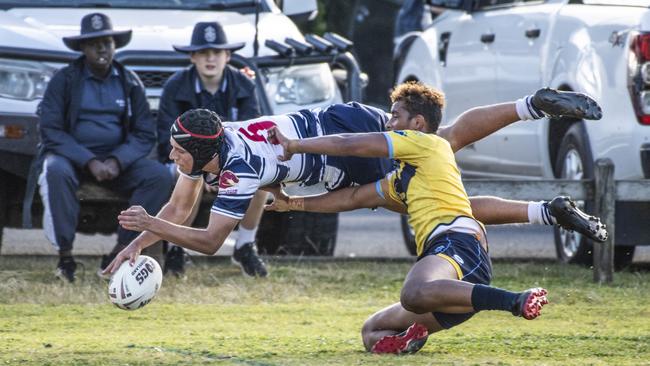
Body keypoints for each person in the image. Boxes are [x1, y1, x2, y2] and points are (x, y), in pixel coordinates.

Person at [102, 83, 605, 282]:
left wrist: (149, 227)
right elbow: (177, 210)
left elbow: (209, 241)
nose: (171, 156)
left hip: (337, 136)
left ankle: (531, 106)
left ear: (205, 152)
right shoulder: (213, 144)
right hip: (331, 153)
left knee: (444, 142)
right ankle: (547, 210)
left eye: (177, 150)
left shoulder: (239, 168)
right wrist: (135, 244)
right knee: (432, 204)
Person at [262, 82, 602, 354]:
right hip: (455, 283)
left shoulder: (424, 144)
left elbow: (352, 142)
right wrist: (292, 204)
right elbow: (352, 197)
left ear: (417, 125)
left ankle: (515, 299)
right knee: (372, 332)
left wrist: (295, 146)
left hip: (456, 246)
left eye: (394, 117)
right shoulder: (404, 180)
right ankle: (410, 339)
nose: (388, 123)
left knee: (413, 293)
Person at [38, 13, 174, 282]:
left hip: (116, 162)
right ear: (82, 49)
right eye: (94, 43)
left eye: (107, 42)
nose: (101, 48)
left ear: (115, 46)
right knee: (54, 170)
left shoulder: (129, 81)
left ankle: (121, 250)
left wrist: (117, 160)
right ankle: (65, 259)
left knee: (157, 176)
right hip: (73, 159)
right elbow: (51, 129)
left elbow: (144, 132)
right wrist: (88, 160)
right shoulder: (64, 80)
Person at [157, 21, 267, 277]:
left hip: (232, 163)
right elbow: (166, 135)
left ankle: (245, 245)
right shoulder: (175, 85)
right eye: (203, 52)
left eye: (216, 52)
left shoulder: (245, 85)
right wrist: (202, 168)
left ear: (227, 56)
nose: (210, 58)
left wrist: (220, 168)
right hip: (187, 163)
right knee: (182, 178)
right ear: (192, 56)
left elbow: (253, 134)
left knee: (260, 178)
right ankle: (175, 248)